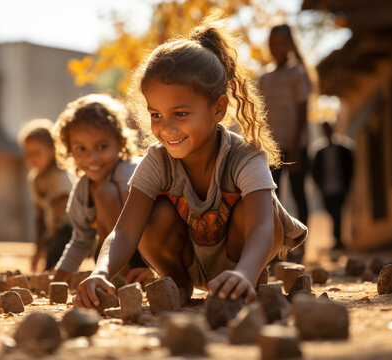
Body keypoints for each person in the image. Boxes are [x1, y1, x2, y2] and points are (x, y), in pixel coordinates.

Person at [73, 15, 308, 309]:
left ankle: (242, 282)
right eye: (156, 114)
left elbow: (263, 227)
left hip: (243, 261)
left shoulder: (245, 156)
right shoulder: (158, 159)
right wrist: (101, 271)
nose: (166, 127)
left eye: (181, 114)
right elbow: (125, 230)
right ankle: (177, 285)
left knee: (259, 209)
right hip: (186, 262)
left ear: (218, 108)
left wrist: (245, 273)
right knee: (152, 212)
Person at [52, 94, 151, 284]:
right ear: (69, 150)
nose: (93, 158)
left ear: (119, 142)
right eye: (81, 149)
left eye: (102, 146)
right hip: (108, 257)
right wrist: (60, 277)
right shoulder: (82, 190)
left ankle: (138, 272)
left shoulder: (131, 170)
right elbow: (81, 240)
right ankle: (117, 276)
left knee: (105, 193)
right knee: (103, 192)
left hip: (145, 250)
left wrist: (155, 267)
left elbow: (149, 223)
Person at [258, 24, 311, 262]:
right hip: (272, 146)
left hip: (296, 143)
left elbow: (302, 109)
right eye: (273, 42)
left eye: (281, 42)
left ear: (290, 45)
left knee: (299, 193)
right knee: (273, 196)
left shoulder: (298, 74)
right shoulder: (265, 78)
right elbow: (262, 114)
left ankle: (301, 247)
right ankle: (276, 248)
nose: (276, 47)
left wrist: (297, 145)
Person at [18, 119, 74, 272]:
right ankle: (53, 272)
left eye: (37, 153)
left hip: (72, 227)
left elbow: (64, 203)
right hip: (55, 228)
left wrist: (51, 229)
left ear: (52, 150)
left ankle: (58, 272)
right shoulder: (34, 179)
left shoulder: (59, 174)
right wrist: (38, 250)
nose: (32, 158)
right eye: (28, 153)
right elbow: (40, 215)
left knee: (57, 245)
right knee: (51, 242)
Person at [311, 122, 354, 250]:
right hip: (326, 189)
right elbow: (315, 171)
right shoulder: (320, 153)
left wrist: (348, 183)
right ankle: (337, 238)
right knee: (332, 212)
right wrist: (319, 185)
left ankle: (338, 239)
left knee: (338, 212)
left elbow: (350, 168)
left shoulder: (343, 150)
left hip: (340, 187)